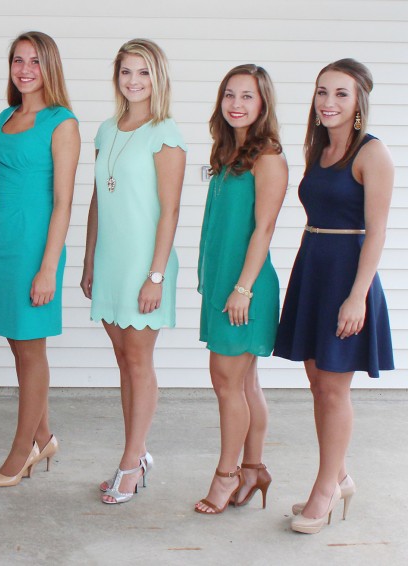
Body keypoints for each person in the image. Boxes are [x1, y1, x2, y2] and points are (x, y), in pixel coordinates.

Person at [275, 58, 394, 534]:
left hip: (348, 274)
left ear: (359, 100)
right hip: (313, 267)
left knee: (333, 387)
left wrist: (357, 296)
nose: (328, 102)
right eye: (322, 92)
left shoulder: (372, 153)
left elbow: (379, 230)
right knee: (317, 385)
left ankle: (325, 489)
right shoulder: (319, 148)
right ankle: (339, 475)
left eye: (340, 94)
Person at [80, 38, 186, 504]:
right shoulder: (106, 129)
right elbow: (98, 199)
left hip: (147, 266)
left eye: (143, 72)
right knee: (123, 363)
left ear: (157, 77)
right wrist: (88, 259)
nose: (134, 80)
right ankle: (135, 453)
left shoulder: (167, 132)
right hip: (110, 263)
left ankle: (130, 463)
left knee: (139, 363)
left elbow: (171, 211)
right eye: (126, 71)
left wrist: (156, 275)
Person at [0, 31, 80, 487]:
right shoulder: (5, 116)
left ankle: (22, 451)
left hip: (35, 247)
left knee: (31, 347)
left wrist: (48, 267)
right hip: (2, 246)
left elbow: (63, 202)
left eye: (35, 62)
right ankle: (44, 437)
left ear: (50, 68)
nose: (24, 69)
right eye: (17, 60)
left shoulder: (62, 123)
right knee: (16, 344)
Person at [192, 65, 287, 515]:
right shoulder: (227, 154)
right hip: (224, 286)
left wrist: (243, 289)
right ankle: (254, 469)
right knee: (245, 383)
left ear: (263, 103)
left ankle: (226, 475)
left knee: (226, 383)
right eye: (230, 94)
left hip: (245, 290)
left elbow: (264, 229)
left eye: (247, 96)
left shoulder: (268, 158)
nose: (236, 104)